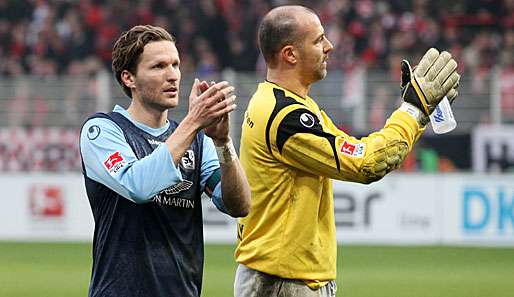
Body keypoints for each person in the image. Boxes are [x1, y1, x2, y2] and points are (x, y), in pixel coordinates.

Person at [234, 5, 460, 297]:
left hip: (284, 276)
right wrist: (414, 110)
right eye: (318, 40)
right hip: (280, 281)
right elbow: (367, 163)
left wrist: (415, 111)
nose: (329, 47)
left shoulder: (285, 103)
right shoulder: (287, 117)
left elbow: (358, 149)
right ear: (290, 54)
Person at [79, 25, 251, 297]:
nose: (172, 75)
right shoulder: (102, 130)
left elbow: (240, 204)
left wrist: (222, 142)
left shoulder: (196, 140)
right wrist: (193, 122)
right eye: (158, 66)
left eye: (175, 65)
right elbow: (138, 186)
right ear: (129, 78)